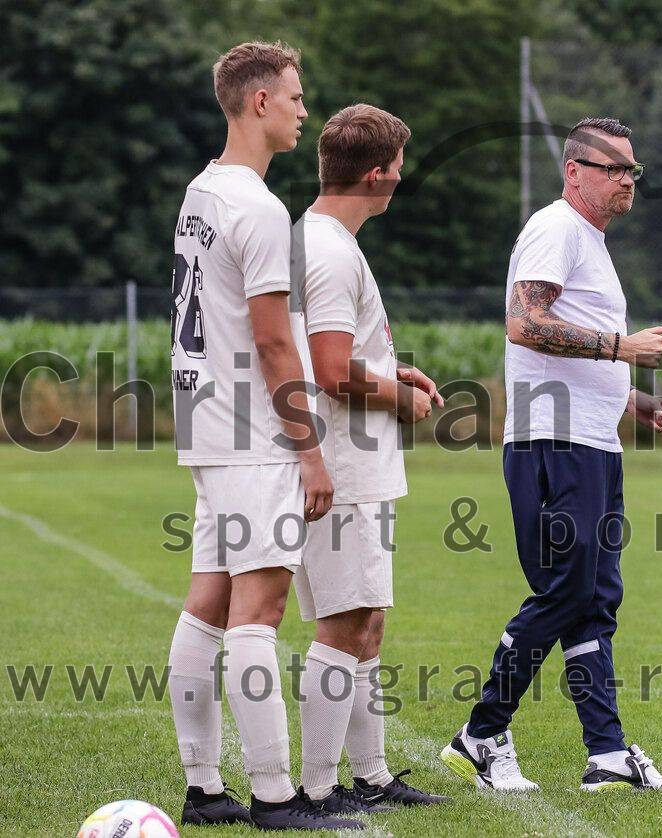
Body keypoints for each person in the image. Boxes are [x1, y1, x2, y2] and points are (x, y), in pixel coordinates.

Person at [441, 117, 662, 792]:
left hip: (593, 442)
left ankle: (606, 755)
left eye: (632, 168)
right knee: (568, 590)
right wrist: (619, 347)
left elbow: (573, 342)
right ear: (574, 171)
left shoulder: (593, 244)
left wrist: (632, 397)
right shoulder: (555, 227)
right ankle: (482, 731)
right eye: (612, 167)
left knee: (594, 599)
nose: (626, 179)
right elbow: (526, 323)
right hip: (553, 442)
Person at [168, 41, 363, 831]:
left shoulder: (199, 192)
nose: (302, 109)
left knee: (207, 605)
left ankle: (204, 786)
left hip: (209, 429)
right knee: (260, 609)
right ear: (257, 103)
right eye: (293, 96)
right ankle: (276, 796)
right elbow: (277, 342)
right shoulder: (257, 205)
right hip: (254, 433)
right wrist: (310, 450)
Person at [290, 103, 451, 816]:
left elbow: (338, 352)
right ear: (379, 175)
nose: (401, 180)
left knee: (366, 619)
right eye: (399, 169)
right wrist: (399, 397)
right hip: (340, 466)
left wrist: (395, 369)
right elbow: (328, 370)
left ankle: (373, 775)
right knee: (344, 622)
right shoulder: (325, 247)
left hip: (357, 464)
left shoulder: (323, 240)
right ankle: (318, 789)